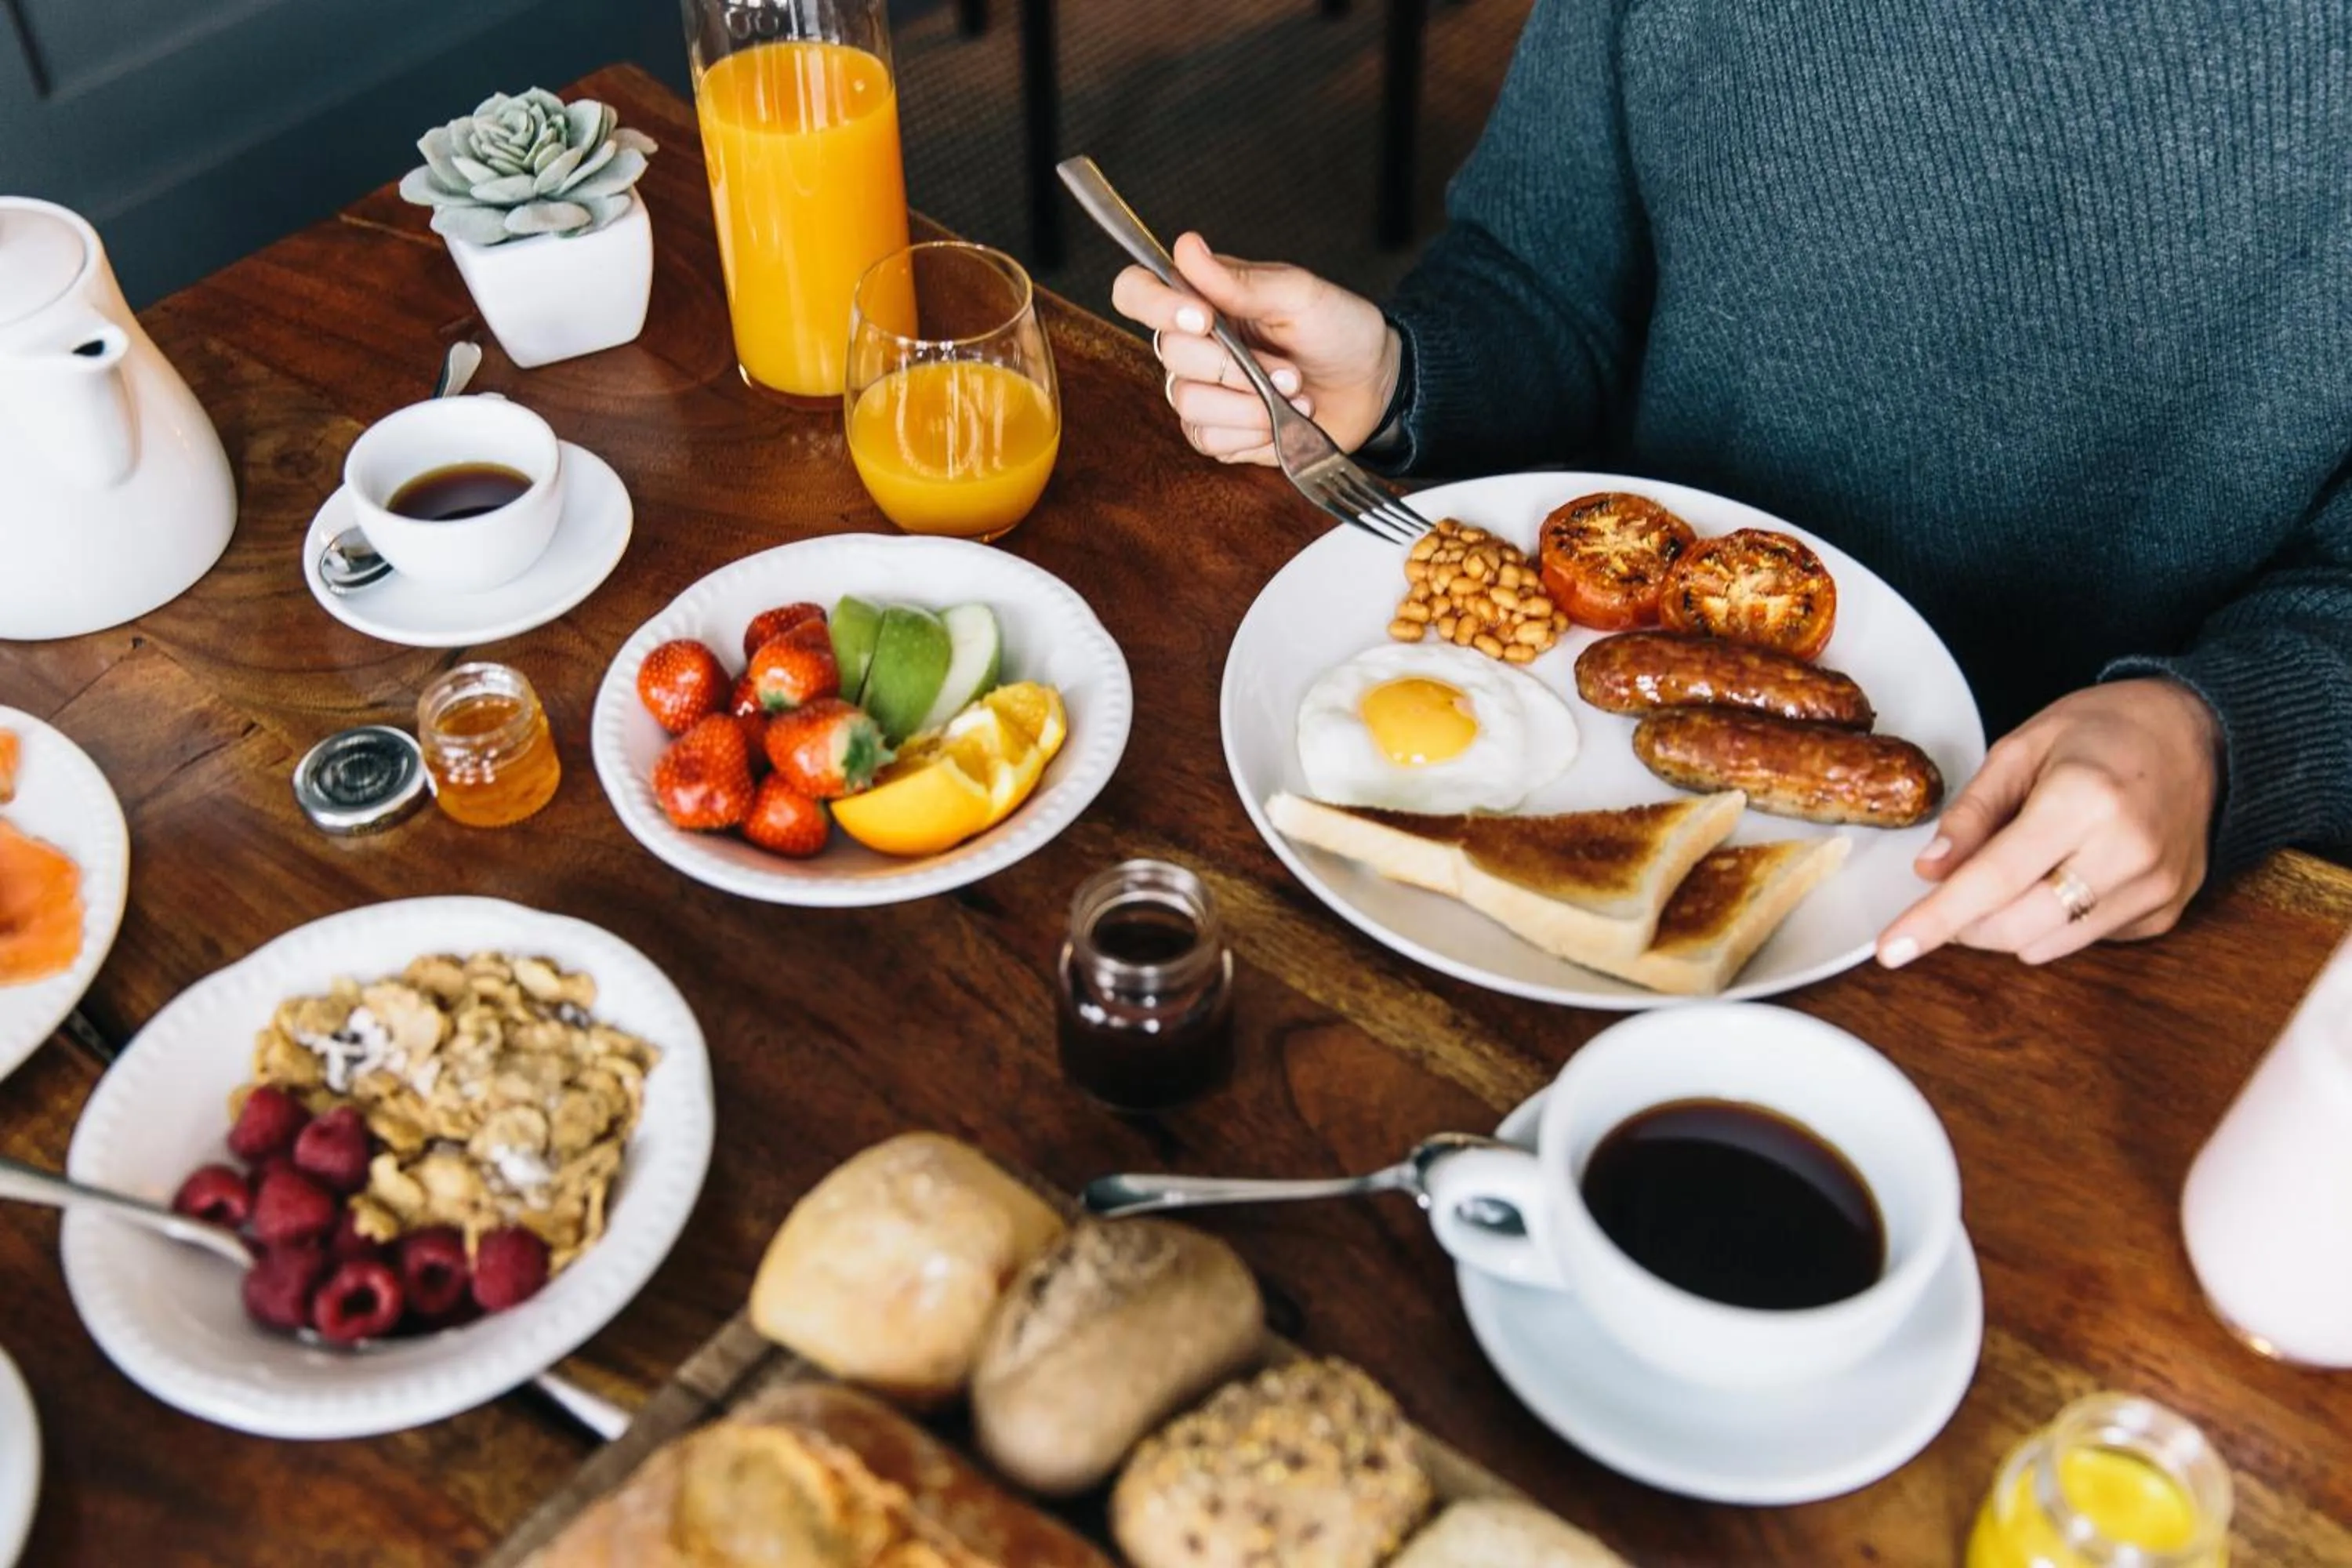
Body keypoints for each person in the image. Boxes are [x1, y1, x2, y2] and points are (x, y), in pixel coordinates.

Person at [1112, 0, 2352, 970]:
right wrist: (1396, 375)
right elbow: (1547, 274)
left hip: (2068, 898)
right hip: (1595, 759)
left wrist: (2224, 734)